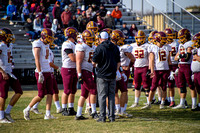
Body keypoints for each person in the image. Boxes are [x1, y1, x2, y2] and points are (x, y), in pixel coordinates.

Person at [23, 28, 56, 120]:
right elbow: (37, 59)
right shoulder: (37, 43)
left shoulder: (46, 44)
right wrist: (40, 72)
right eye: (49, 38)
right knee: (41, 94)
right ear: (44, 36)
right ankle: (27, 109)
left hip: (48, 71)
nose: (51, 40)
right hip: (41, 72)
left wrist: (50, 70)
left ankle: (48, 114)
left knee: (50, 92)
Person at [92, 31, 121, 122]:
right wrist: (114, 70)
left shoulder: (99, 47)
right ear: (108, 38)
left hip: (102, 75)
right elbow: (119, 62)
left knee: (102, 96)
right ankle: (112, 117)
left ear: (100, 38)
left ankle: (102, 117)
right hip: (112, 75)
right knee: (111, 95)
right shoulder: (115, 47)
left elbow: (93, 62)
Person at [142, 32, 172, 109]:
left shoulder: (167, 47)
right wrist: (151, 71)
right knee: (153, 87)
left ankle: (162, 102)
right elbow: (151, 60)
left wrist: (171, 70)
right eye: (163, 39)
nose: (165, 40)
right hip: (157, 70)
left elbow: (169, 60)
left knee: (164, 86)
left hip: (165, 69)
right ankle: (149, 103)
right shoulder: (153, 47)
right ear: (158, 39)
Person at [0, 28, 23, 123]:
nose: (11, 38)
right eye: (9, 36)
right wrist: (2, 72)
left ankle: (7, 112)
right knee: (3, 95)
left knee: (19, 91)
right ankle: (1, 117)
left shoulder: (10, 45)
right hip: (3, 73)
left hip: (10, 72)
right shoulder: (1, 46)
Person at [75, 30, 98, 120]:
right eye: (89, 38)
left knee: (84, 94)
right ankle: (93, 112)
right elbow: (78, 62)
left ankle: (78, 114)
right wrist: (79, 74)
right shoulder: (82, 46)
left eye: (92, 38)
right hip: (84, 71)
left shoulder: (93, 47)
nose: (91, 40)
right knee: (93, 90)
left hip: (89, 71)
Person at [173, 29, 197, 110]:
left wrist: (180, 56)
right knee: (181, 85)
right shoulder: (181, 45)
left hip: (187, 66)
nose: (180, 39)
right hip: (181, 66)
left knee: (191, 85)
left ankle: (194, 104)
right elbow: (176, 57)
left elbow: (187, 57)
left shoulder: (189, 44)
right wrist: (180, 57)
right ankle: (182, 103)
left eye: (182, 37)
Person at [130, 30, 151, 108]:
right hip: (136, 67)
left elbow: (150, 57)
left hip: (144, 67)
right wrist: (131, 68)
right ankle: (136, 102)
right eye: (139, 38)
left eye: (142, 38)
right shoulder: (133, 46)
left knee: (146, 85)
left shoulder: (147, 46)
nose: (140, 40)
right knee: (136, 85)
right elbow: (131, 58)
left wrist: (150, 68)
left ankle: (148, 102)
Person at [61, 27, 78, 116]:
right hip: (67, 68)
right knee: (67, 90)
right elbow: (73, 58)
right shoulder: (66, 44)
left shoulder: (75, 43)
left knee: (73, 90)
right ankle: (64, 109)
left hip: (74, 68)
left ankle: (71, 108)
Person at [164, 28, 179, 107]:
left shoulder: (177, 43)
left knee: (178, 84)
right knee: (168, 84)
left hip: (175, 64)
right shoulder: (164, 44)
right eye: (169, 35)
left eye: (171, 35)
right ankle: (168, 100)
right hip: (167, 65)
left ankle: (180, 101)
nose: (170, 37)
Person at [191, 33, 200, 111]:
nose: (195, 43)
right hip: (196, 72)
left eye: (196, 41)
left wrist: (197, 57)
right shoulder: (196, 49)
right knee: (198, 90)